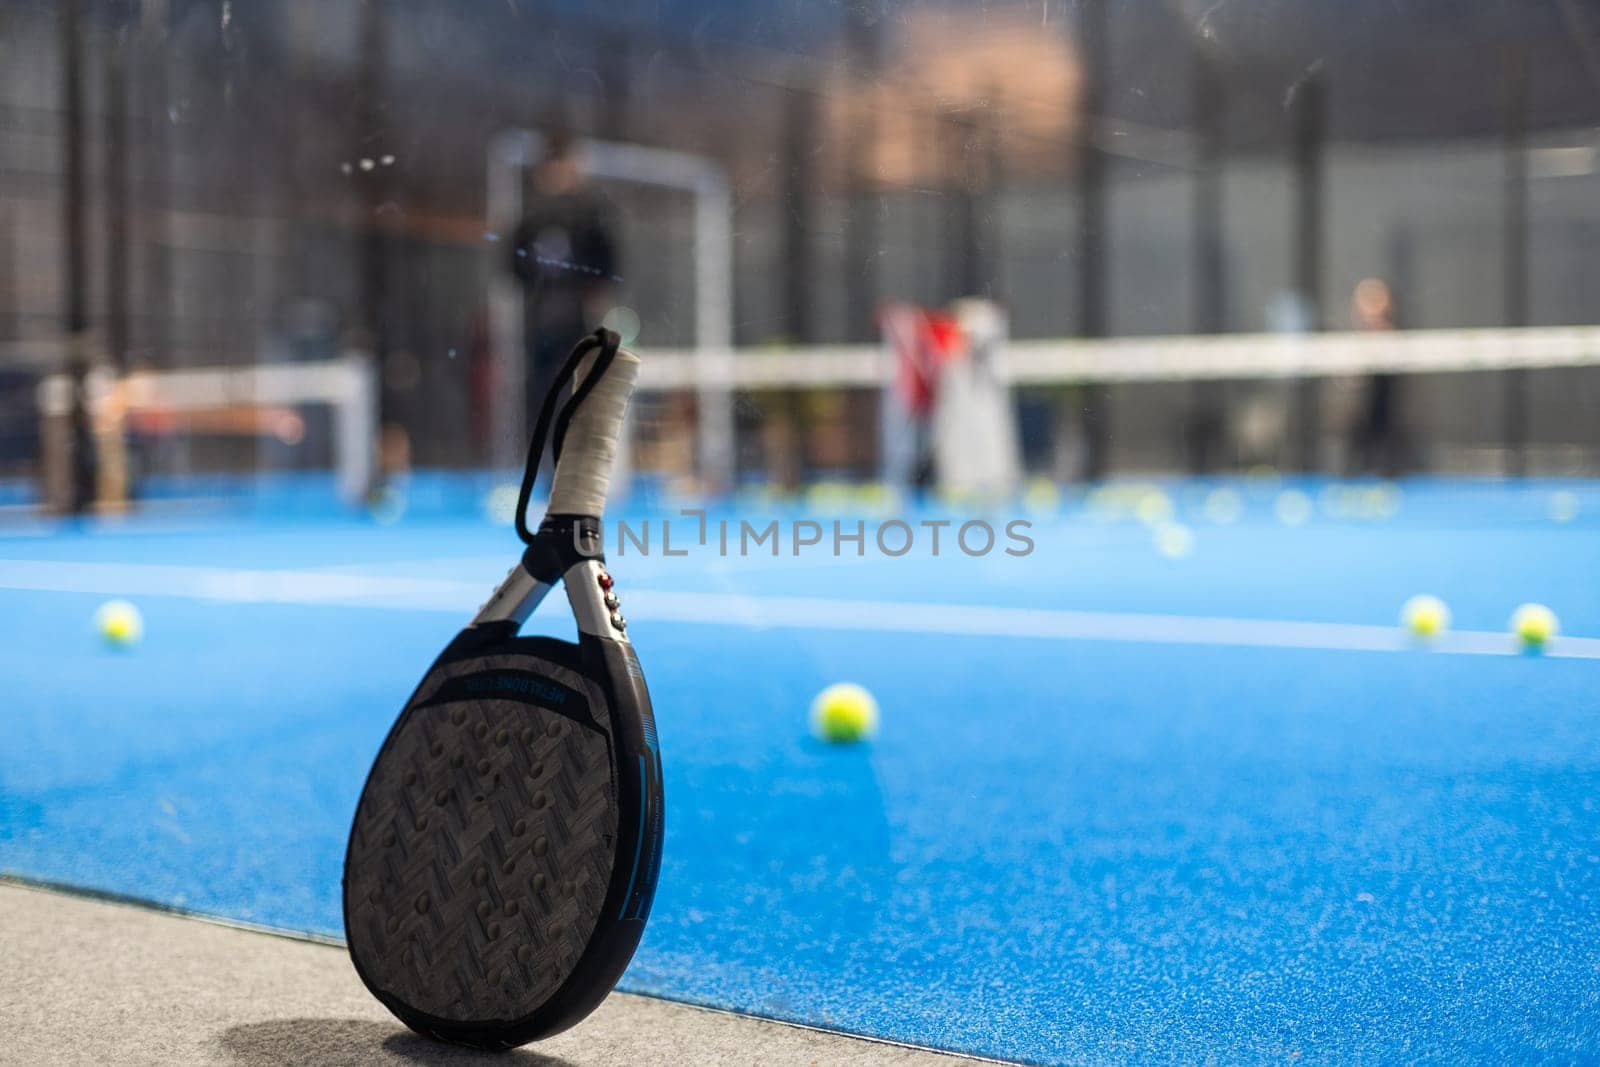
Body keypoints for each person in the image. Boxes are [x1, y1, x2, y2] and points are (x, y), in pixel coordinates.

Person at [508, 131, 618, 434]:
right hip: (542, 318)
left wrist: (597, 296)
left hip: (573, 316)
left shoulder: (587, 210)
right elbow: (513, 264)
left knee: (578, 389)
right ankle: (546, 458)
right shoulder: (532, 213)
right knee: (546, 393)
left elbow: (605, 264)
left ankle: (567, 451)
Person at [1349, 277, 1404, 476]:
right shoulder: (1352, 342)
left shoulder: (1392, 337)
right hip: (1359, 412)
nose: (1371, 307)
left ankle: (1385, 470)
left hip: (1385, 407)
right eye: (1366, 301)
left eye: (1376, 301)